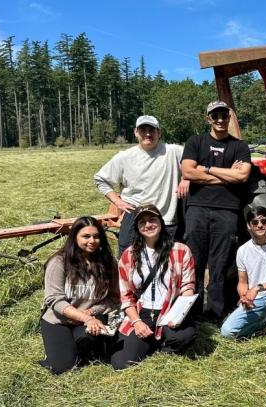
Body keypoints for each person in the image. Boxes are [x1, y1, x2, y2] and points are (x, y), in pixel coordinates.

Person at [181, 100, 252, 322]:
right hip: (197, 209)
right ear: (208, 118)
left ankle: (214, 313)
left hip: (227, 209)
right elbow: (188, 172)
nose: (220, 120)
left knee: (219, 263)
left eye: (224, 115)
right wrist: (225, 176)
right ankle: (192, 312)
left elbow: (242, 176)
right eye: (215, 116)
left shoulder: (239, 146)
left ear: (229, 117)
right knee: (195, 262)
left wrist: (208, 169)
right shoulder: (196, 141)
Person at [111, 204, 197, 370]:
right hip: (142, 312)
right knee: (121, 363)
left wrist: (179, 314)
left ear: (161, 222)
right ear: (137, 227)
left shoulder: (180, 250)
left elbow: (188, 286)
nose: (148, 225)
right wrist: (136, 322)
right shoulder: (129, 255)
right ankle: (150, 340)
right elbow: (125, 294)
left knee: (183, 337)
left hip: (170, 309)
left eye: (152, 219)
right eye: (142, 222)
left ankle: (161, 342)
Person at [93, 115, 188, 254]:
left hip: (166, 217)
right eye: (143, 130)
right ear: (136, 132)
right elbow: (100, 179)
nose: (148, 134)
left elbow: (196, 161)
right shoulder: (124, 157)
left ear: (159, 132)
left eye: (152, 130)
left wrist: (186, 178)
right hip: (134, 215)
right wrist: (117, 201)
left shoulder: (174, 151)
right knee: (129, 256)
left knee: (168, 263)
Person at [39, 216, 119, 374]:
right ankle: (64, 350)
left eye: (96, 236)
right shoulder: (59, 262)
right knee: (62, 367)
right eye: (86, 236)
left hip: (90, 318)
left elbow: (113, 298)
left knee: (90, 342)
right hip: (59, 320)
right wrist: (86, 318)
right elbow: (54, 300)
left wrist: (92, 313)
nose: (92, 241)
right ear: (74, 237)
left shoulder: (109, 262)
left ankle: (82, 347)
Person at [220, 207, 266, 345]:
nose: (260, 225)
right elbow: (242, 282)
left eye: (264, 221)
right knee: (227, 332)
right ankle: (265, 322)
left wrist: (257, 288)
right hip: (257, 300)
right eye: (255, 222)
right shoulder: (243, 251)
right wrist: (243, 296)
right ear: (248, 226)